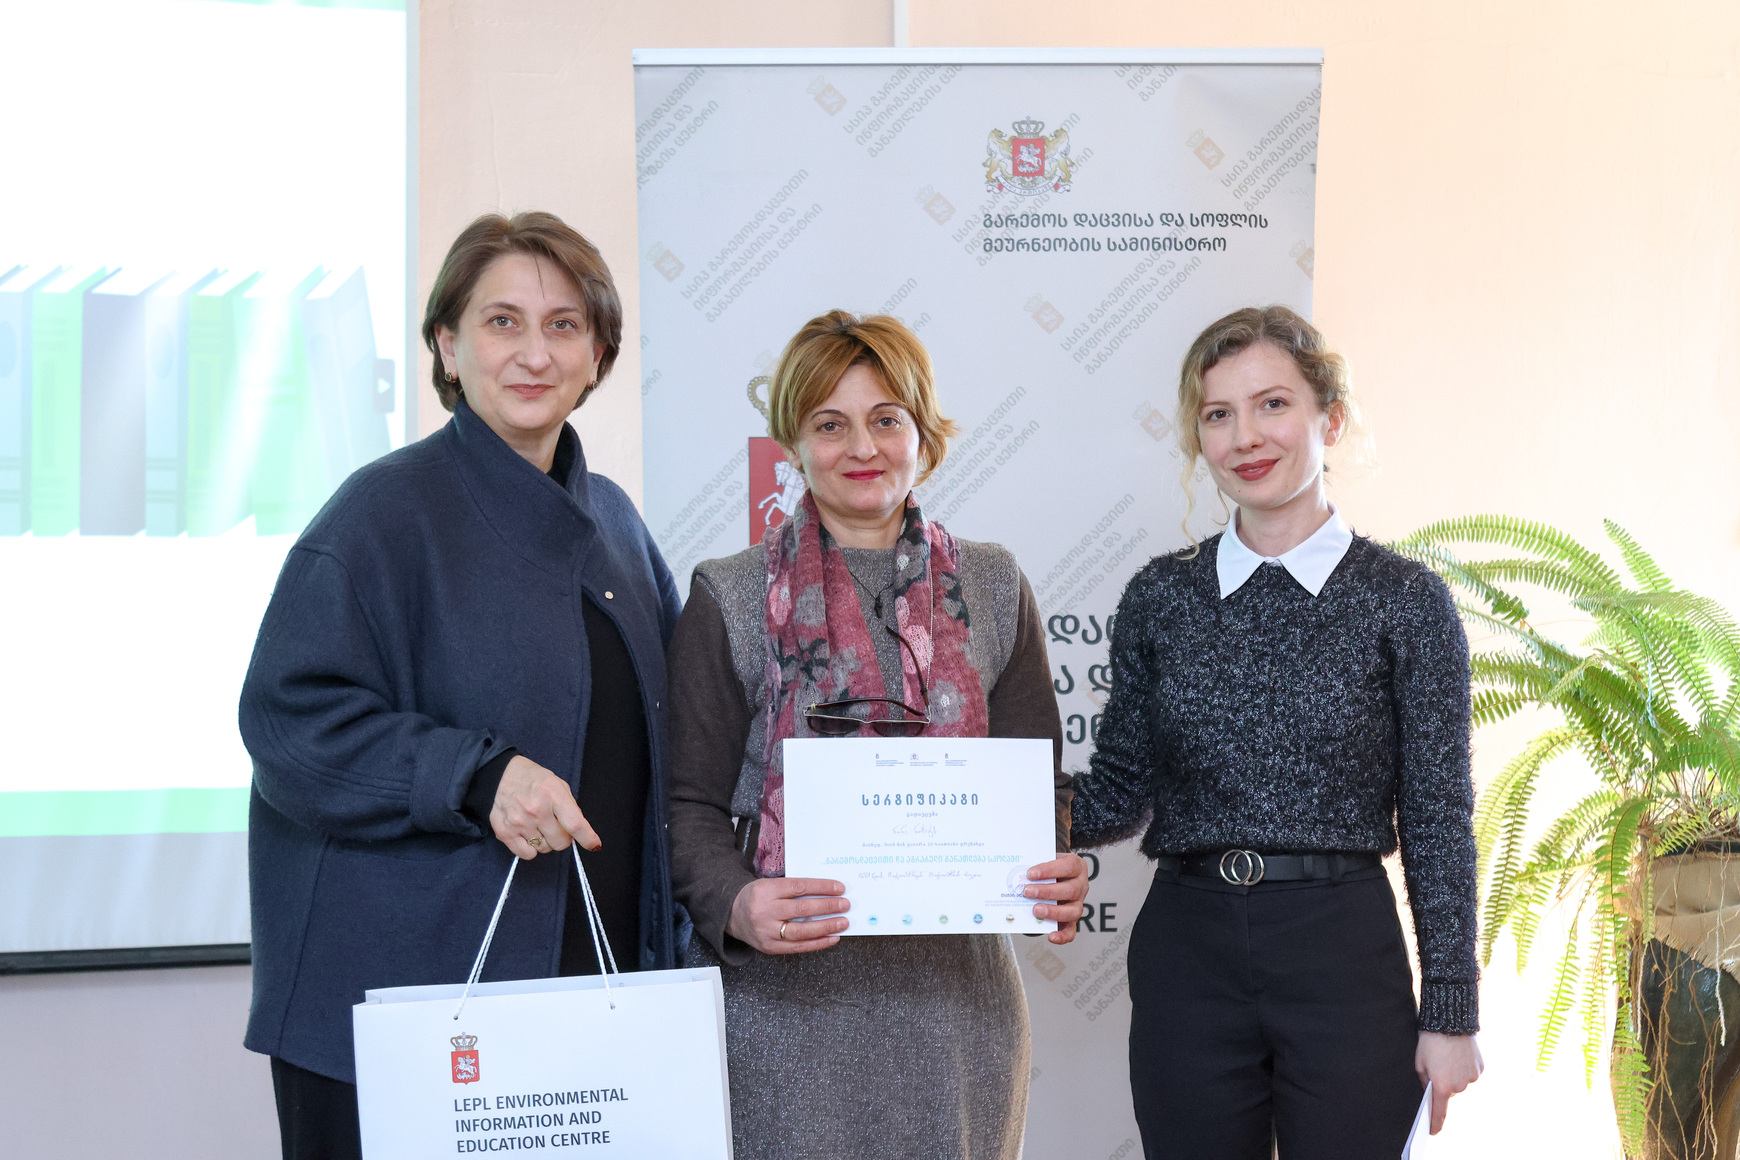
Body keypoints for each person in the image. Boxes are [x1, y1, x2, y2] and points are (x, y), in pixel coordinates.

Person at [239, 211, 683, 1159]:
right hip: (406, 1020)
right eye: (501, 321)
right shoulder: (378, 513)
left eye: (564, 325)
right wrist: (477, 776)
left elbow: (675, 737)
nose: (534, 353)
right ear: (447, 344)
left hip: (589, 1011)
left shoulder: (616, 523)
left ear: (599, 354)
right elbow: (288, 725)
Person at [665, 310, 1090, 1160]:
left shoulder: (995, 584)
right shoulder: (729, 593)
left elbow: (1039, 786)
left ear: (923, 434)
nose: (862, 447)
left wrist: (1056, 865)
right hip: (784, 1017)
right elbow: (685, 805)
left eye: (886, 419)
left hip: (959, 1018)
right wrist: (736, 903)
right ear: (794, 444)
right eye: (830, 424)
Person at [1069, 306, 1483, 1160]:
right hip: (1189, 954)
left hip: (1342, 951)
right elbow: (1117, 792)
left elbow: (1439, 818)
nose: (1246, 437)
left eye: (1273, 405)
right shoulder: (1161, 598)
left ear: (1330, 418)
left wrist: (1451, 1011)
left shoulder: (1406, 601)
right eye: (1219, 414)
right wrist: (978, 808)